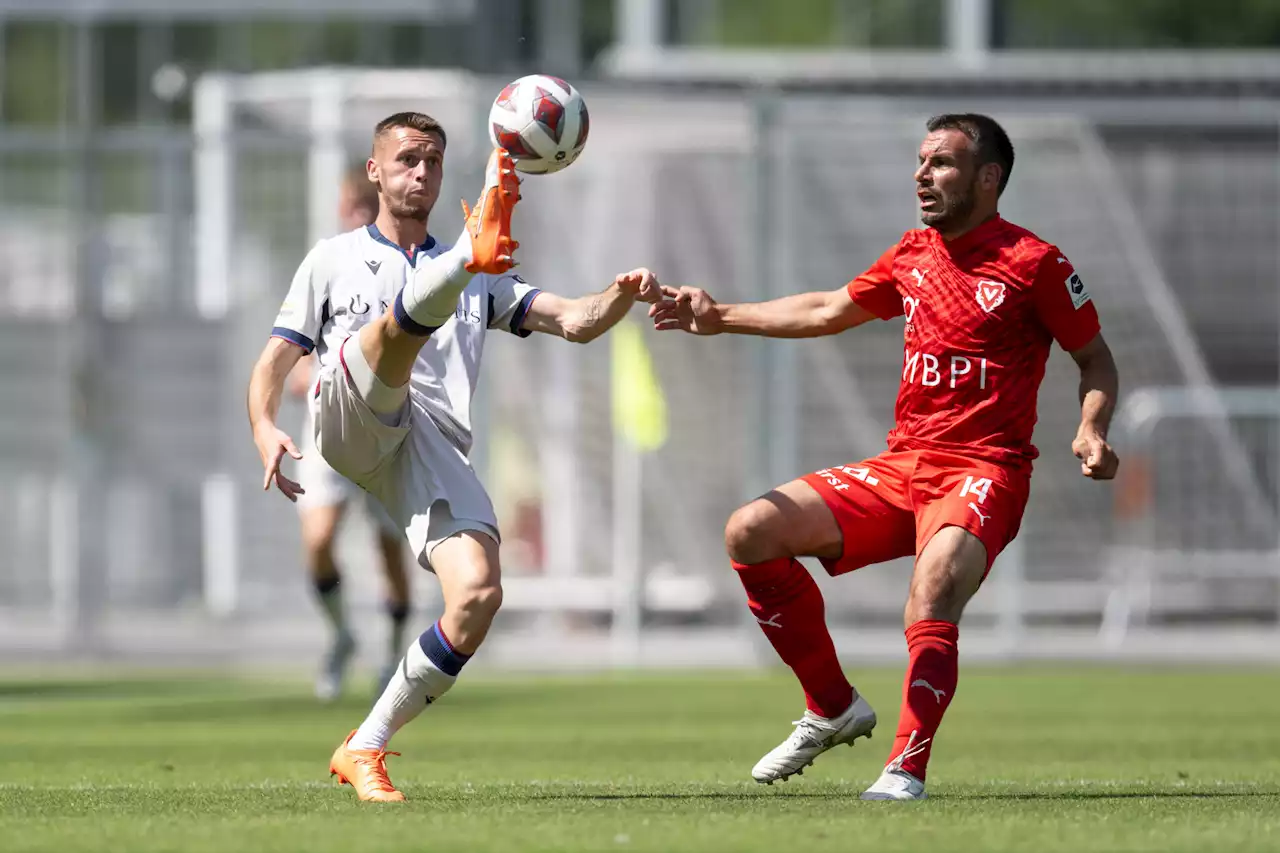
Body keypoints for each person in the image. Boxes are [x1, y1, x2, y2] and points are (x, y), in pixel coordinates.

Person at [650, 113, 1119, 801]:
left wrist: (1091, 427)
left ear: (989, 178)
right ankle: (832, 704)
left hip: (984, 469)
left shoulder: (1034, 263)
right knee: (750, 530)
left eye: (942, 163)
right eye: (921, 161)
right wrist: (719, 315)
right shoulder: (913, 253)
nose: (922, 175)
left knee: (932, 590)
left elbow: (1095, 357)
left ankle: (905, 767)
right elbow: (824, 310)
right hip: (906, 468)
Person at [247, 111, 665, 802]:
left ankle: (364, 745)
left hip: (425, 442)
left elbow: (575, 321)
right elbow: (275, 357)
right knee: (387, 343)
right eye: (408, 158)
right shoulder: (334, 257)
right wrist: (264, 423)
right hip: (350, 414)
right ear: (375, 170)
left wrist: (620, 294)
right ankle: (344, 645)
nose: (422, 171)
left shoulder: (482, 273)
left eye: (434, 161)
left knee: (476, 593)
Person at [284, 166, 412, 702]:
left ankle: (392, 655)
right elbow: (291, 363)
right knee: (317, 543)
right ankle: (341, 637)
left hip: (384, 437)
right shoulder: (328, 265)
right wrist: (316, 380)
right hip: (329, 436)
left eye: (364, 206)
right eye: (350, 207)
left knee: (389, 552)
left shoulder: (402, 270)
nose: (356, 215)